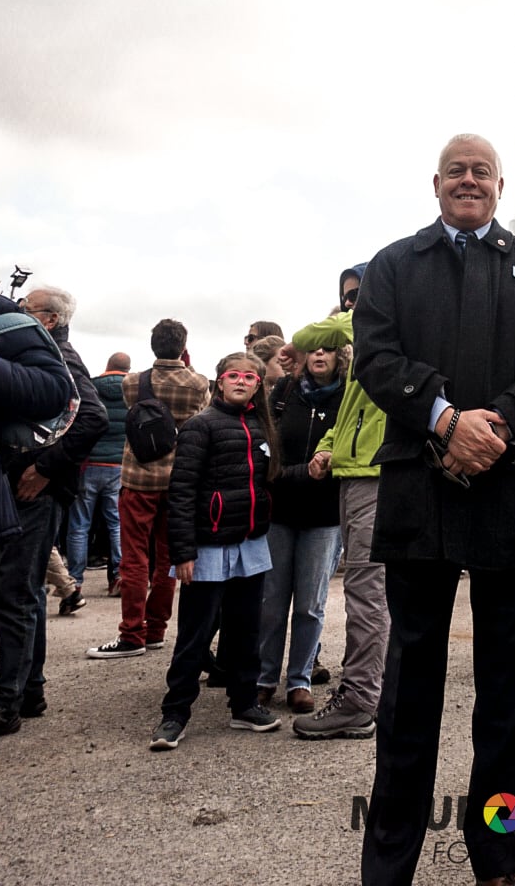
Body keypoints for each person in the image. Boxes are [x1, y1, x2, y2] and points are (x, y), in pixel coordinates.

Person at [352, 133, 515, 886]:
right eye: (458, 171)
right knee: (408, 701)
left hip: (509, 501)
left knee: (506, 704)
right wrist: (446, 420)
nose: (470, 181)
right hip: (421, 498)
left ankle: (499, 857)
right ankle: (389, 864)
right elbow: (377, 362)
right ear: (437, 183)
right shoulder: (392, 266)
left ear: (501, 184)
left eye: (482, 171)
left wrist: (498, 428)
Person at [149, 352, 281, 749]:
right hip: (207, 547)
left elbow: (268, 480)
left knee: (246, 630)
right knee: (195, 632)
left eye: (249, 377)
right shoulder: (199, 426)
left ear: (258, 385)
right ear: (219, 382)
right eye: (233, 375)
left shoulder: (262, 428)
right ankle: (175, 713)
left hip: (250, 544)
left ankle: (244, 705)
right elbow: (182, 490)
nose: (241, 381)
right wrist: (182, 552)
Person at [293, 297, 392, 743]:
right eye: (348, 294)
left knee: (367, 594)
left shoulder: (383, 330)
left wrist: (354, 312)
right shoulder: (362, 356)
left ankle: (359, 702)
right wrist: (326, 448)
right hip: (354, 473)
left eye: (359, 292)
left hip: (376, 476)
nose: (351, 303)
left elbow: (304, 339)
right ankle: (372, 691)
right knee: (368, 592)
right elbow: (350, 414)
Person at [86, 319, 208, 660]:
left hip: (138, 479)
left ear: (152, 346)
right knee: (167, 559)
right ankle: (156, 630)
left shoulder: (133, 383)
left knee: (135, 558)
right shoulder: (197, 383)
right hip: (179, 481)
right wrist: (188, 364)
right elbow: (201, 412)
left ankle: (132, 633)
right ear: (183, 348)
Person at [0, 292, 73, 739]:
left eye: (31, 308)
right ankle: (28, 689)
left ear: (51, 319)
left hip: (29, 489)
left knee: (18, 595)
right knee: (23, 595)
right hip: (12, 483)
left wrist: (44, 471)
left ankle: (8, 699)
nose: (23, 311)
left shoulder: (49, 349)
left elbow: (88, 415)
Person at [256, 328, 347, 714]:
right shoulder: (284, 394)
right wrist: (297, 473)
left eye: (328, 348)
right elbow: (266, 450)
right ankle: (263, 679)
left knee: (310, 604)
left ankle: (300, 680)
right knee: (273, 602)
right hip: (281, 510)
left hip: (324, 516)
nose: (320, 354)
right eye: (314, 349)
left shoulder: (349, 396)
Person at [66, 351, 130, 603]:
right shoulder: (132, 391)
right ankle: (117, 577)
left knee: (79, 525)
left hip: (89, 464)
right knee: (116, 523)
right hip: (118, 466)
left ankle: (75, 581)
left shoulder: (90, 385)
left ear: (107, 366)